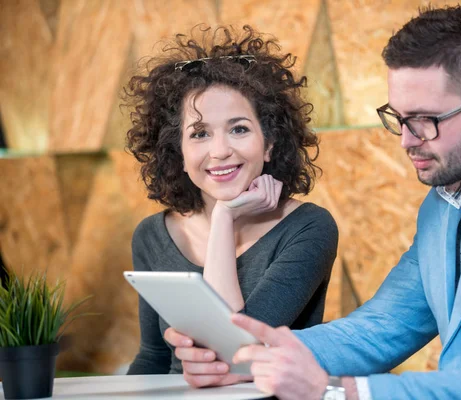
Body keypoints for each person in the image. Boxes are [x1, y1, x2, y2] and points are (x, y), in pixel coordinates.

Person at [166, 6, 461, 399]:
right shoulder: (444, 201)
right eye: (399, 118)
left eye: (425, 121)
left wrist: (336, 392)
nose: (407, 141)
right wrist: (244, 358)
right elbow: (381, 328)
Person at [123, 25, 339, 376]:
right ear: (177, 151)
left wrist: (224, 217)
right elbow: (153, 357)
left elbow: (236, 351)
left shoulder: (309, 227)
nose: (220, 151)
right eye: (200, 134)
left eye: (239, 128)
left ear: (269, 144)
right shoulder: (151, 235)